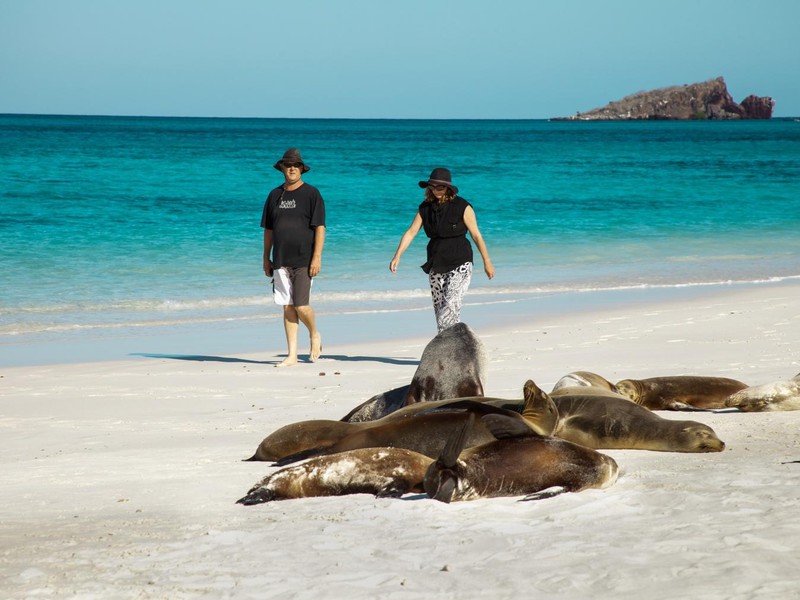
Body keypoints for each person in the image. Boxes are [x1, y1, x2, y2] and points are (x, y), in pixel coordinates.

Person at [390, 167, 494, 332]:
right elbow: (410, 232)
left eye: (441, 187)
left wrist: (487, 262)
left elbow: (476, 235)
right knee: (441, 313)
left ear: (448, 188)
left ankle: (455, 348)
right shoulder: (425, 208)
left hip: (460, 262)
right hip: (436, 263)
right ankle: (450, 351)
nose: (436, 190)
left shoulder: (462, 206)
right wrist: (397, 256)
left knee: (449, 309)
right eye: (433, 186)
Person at [261, 148, 326, 366]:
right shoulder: (273, 195)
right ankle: (292, 356)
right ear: (281, 168)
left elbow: (320, 227)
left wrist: (317, 257)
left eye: (295, 165)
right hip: (280, 258)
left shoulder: (312, 194)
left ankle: (314, 333)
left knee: (301, 306)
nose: (291, 168)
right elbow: (268, 230)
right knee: (287, 306)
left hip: (304, 259)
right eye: (288, 165)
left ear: (301, 169)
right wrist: (265, 257)